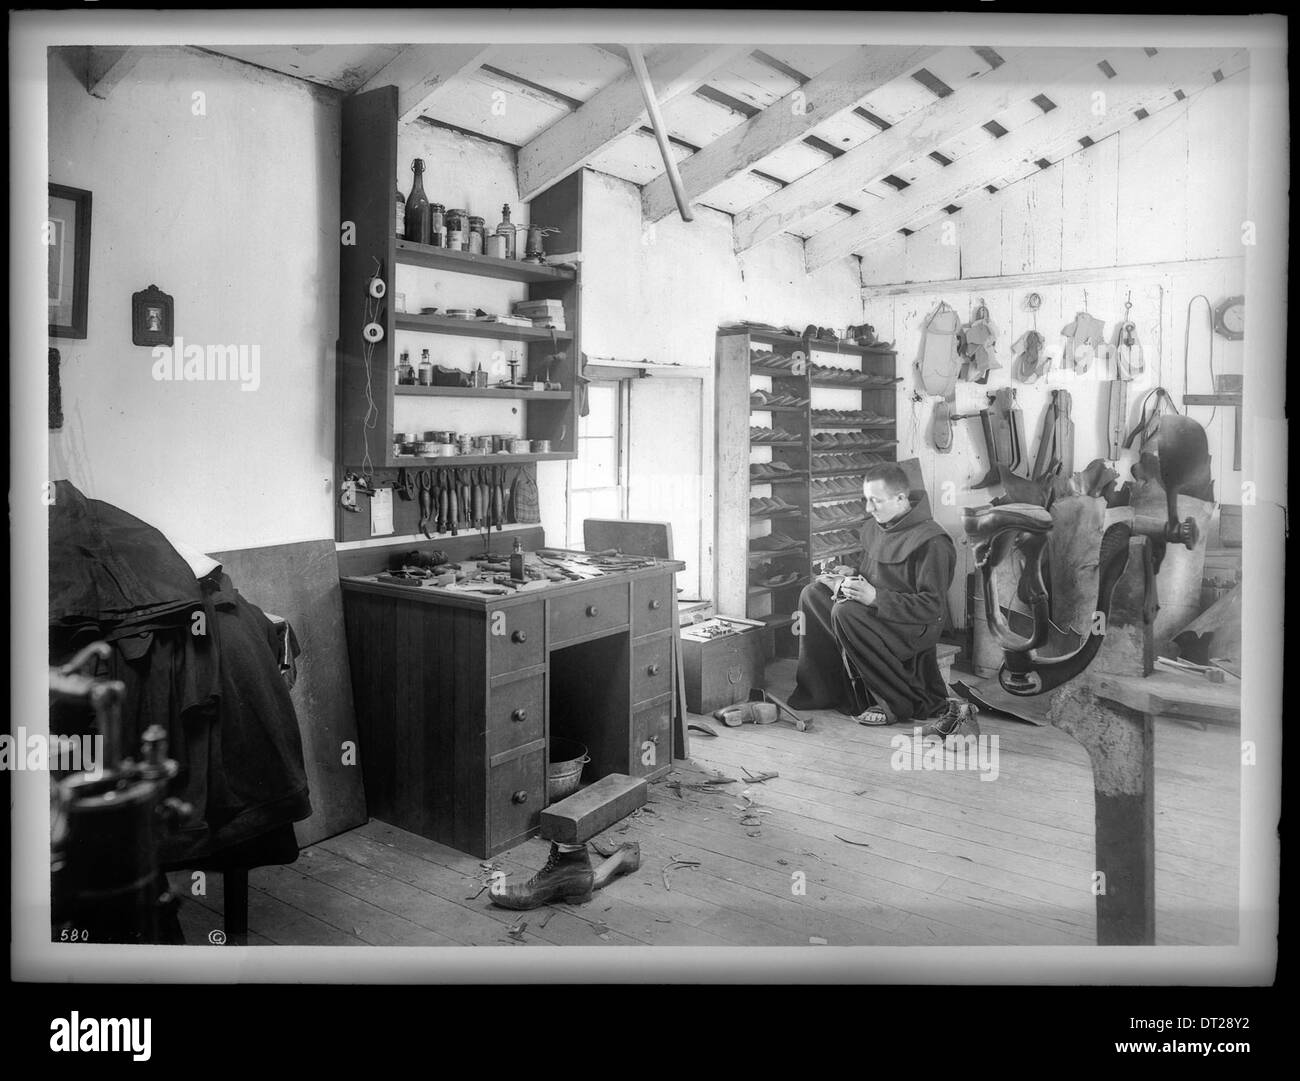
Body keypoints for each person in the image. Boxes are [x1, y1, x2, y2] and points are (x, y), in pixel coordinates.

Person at [788, 462, 976, 736]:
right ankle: (822, 690)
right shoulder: (879, 527)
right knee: (813, 594)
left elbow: (932, 609)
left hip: (912, 627)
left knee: (845, 613)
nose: (868, 509)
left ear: (901, 499)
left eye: (875, 501)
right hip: (879, 613)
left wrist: (875, 597)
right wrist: (851, 574)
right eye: (866, 500)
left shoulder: (933, 542)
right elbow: (878, 575)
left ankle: (891, 703)